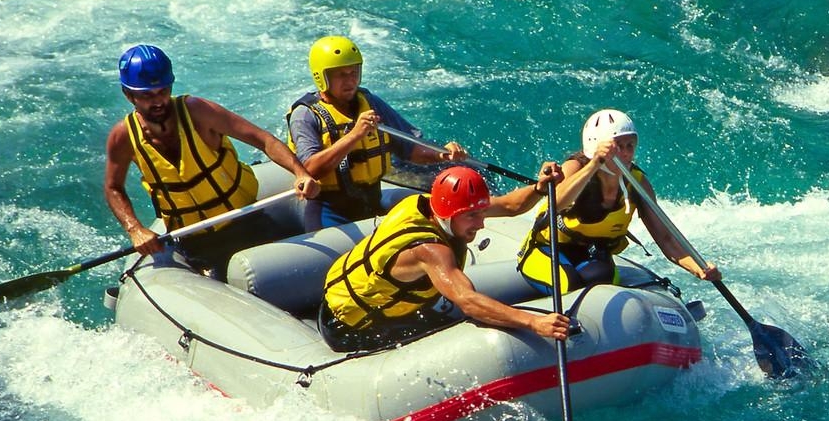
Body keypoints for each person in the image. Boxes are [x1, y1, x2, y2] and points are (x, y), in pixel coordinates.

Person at [104, 44, 320, 276]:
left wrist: (300, 173)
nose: (158, 102)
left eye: (163, 91)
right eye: (147, 95)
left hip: (247, 222)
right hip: (195, 241)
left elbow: (263, 140)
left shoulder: (198, 112)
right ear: (129, 95)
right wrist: (135, 229)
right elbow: (113, 187)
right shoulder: (123, 137)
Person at [321, 165, 571, 352]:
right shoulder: (431, 251)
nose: (482, 223)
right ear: (449, 214)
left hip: (359, 299)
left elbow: (509, 206)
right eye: (472, 216)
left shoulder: (433, 206)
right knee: (455, 335)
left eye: (481, 213)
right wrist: (535, 323)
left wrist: (539, 188)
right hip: (352, 328)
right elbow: (469, 302)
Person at [517, 109, 721, 294]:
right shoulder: (575, 168)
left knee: (602, 281)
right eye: (617, 147)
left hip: (591, 254)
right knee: (569, 284)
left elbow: (666, 238)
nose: (625, 153)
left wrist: (698, 269)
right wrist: (595, 164)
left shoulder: (637, 184)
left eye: (630, 146)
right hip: (547, 249)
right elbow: (556, 203)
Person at [286, 35, 469, 231]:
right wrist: (355, 135)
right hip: (329, 213)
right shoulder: (305, 115)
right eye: (341, 74)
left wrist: (442, 154)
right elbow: (309, 169)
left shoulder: (371, 102)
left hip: (372, 204)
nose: (350, 80)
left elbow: (410, 149)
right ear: (321, 77)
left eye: (353, 72)